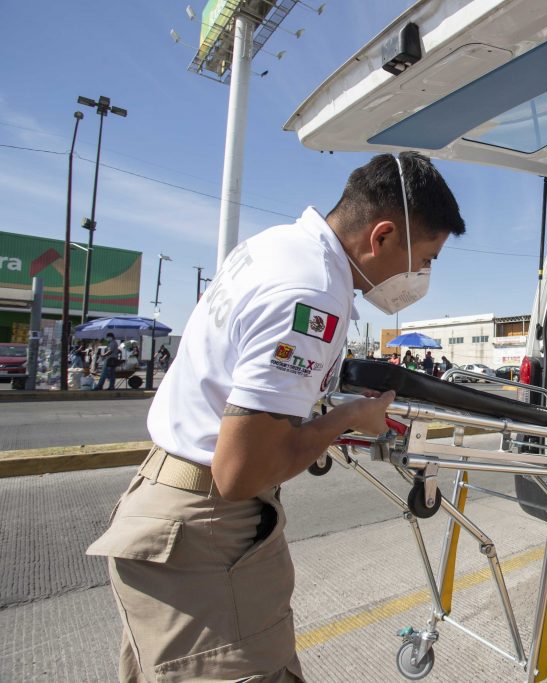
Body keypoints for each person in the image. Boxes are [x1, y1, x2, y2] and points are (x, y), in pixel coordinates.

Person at [87, 152, 465, 681]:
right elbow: (241, 473)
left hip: (162, 507)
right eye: (425, 258)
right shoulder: (312, 294)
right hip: (206, 534)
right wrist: (348, 419)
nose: (421, 275)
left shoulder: (272, 248)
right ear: (381, 237)